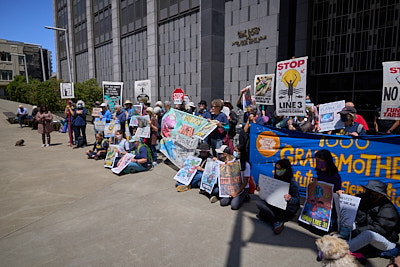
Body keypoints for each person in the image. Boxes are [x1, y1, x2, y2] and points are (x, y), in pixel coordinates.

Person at [348, 180, 400, 259]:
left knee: (368, 234)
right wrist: (342, 196)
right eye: (367, 191)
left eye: (372, 192)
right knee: (348, 222)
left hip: (385, 240)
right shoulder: (365, 199)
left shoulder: (388, 209)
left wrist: (358, 230)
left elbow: (378, 229)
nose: (368, 194)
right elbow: (350, 202)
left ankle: (342, 250)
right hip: (365, 232)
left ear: (380, 195)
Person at [256, 159, 300, 234]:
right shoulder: (276, 179)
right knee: (259, 205)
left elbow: (297, 200)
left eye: (280, 169)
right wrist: (261, 189)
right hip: (276, 204)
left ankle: (275, 222)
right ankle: (277, 219)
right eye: (276, 169)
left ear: (286, 169)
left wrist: (290, 199)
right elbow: (271, 192)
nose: (278, 171)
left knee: (263, 215)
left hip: (287, 208)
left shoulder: (292, 183)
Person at [219, 145, 250, 210]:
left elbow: (245, 182)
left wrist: (236, 193)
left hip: (242, 188)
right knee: (223, 203)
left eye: (236, 151)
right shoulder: (233, 160)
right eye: (234, 150)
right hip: (232, 185)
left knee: (234, 206)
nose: (234, 152)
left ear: (241, 152)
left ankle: (245, 196)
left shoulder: (246, 165)